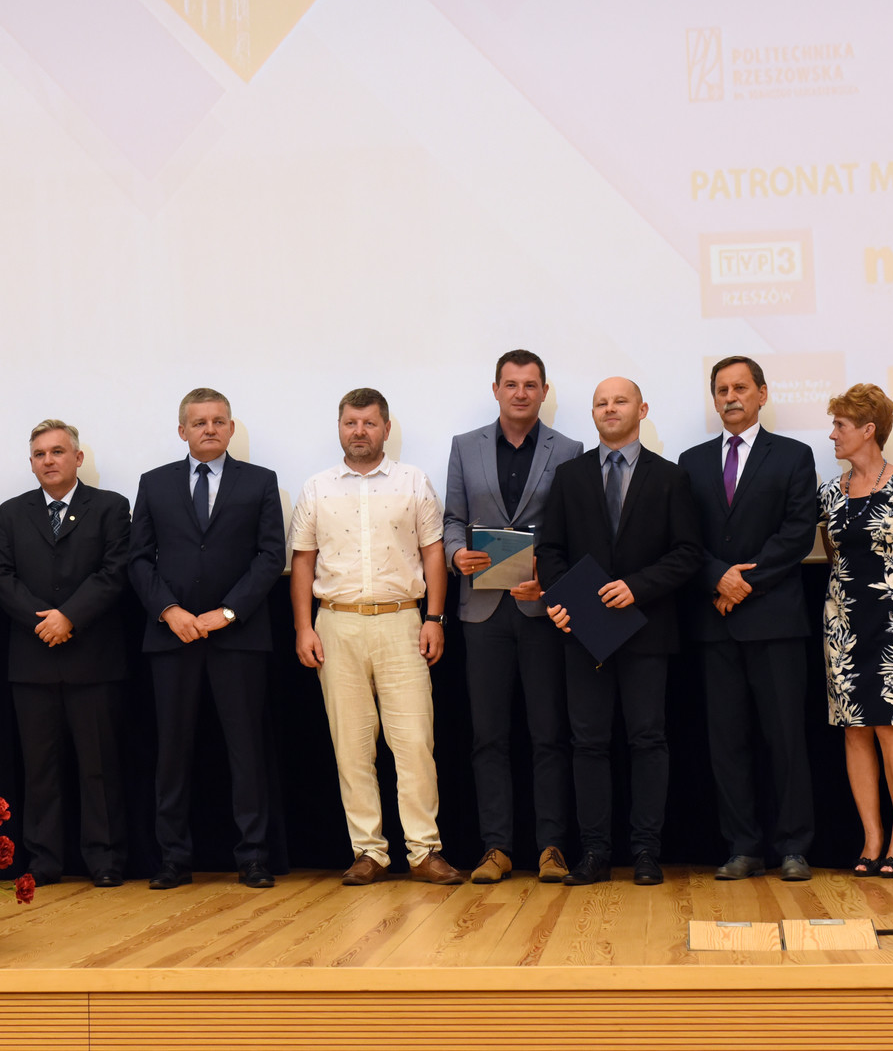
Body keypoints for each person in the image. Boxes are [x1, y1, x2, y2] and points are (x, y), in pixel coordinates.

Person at [288, 388, 465, 887]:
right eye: (351, 423)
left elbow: (434, 553)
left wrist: (434, 618)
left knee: (414, 744)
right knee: (352, 747)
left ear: (386, 428)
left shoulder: (413, 482)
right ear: (339, 428)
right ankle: (368, 851)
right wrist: (303, 627)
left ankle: (424, 851)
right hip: (336, 624)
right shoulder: (317, 488)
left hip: (402, 621)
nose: (359, 431)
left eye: (369, 423)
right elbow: (302, 561)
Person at [536, 377, 702, 887]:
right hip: (583, 632)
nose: (610, 409)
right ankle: (594, 853)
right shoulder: (569, 476)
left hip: (647, 630)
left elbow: (687, 553)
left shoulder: (670, 477)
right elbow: (550, 550)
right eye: (601, 403)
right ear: (593, 414)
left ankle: (647, 851)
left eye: (620, 401)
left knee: (648, 740)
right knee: (588, 744)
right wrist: (562, 602)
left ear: (642, 409)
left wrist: (638, 587)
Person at [129, 388, 286, 891]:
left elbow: (270, 556)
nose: (210, 429)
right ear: (183, 431)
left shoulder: (260, 481)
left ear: (231, 428)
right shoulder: (154, 483)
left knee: (246, 750)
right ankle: (173, 859)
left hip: (238, 637)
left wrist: (229, 612)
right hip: (172, 637)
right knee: (172, 752)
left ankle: (254, 857)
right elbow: (138, 559)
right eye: (199, 422)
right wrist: (169, 610)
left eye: (219, 421)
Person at [443, 349, 583, 884]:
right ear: (496, 389)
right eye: (511, 384)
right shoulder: (464, 446)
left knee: (549, 734)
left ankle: (552, 847)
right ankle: (496, 848)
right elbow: (453, 519)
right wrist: (455, 553)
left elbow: (570, 531)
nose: (520, 393)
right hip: (482, 611)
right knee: (488, 737)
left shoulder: (568, 450)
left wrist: (549, 578)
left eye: (530, 385)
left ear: (544, 391)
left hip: (541, 609)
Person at [679, 356, 818, 882]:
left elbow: (798, 533)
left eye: (740, 387)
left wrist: (742, 584)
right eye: (722, 389)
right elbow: (683, 538)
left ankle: (794, 847)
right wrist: (718, 577)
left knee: (786, 740)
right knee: (727, 743)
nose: (730, 396)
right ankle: (743, 846)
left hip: (775, 621)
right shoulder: (691, 461)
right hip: (715, 624)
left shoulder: (794, 455)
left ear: (762, 393)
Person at [0, 419, 132, 888]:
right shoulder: (11, 512)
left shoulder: (111, 507)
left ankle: (105, 860)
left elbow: (114, 571)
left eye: (57, 451)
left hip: (93, 659)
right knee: (40, 770)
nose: (48, 460)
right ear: (31, 463)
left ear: (78, 458)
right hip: (33, 661)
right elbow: (0, 576)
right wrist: (43, 621)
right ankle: (44, 860)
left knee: (99, 768)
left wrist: (69, 616)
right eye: (39, 454)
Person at [819, 384, 893, 879]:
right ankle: (871, 839)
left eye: (840, 426)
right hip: (844, 624)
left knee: (890, 726)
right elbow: (835, 555)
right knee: (854, 729)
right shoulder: (830, 493)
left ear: (868, 430)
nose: (832, 435)